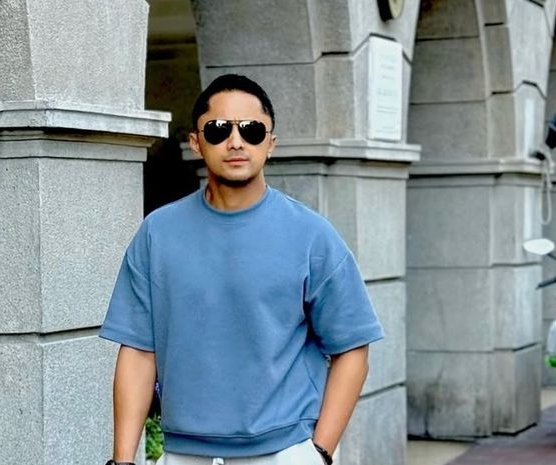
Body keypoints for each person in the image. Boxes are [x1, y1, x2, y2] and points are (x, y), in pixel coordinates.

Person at [100, 74, 384, 465]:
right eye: (218, 130)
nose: (235, 142)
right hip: (183, 453)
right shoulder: (157, 233)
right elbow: (137, 351)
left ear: (271, 142)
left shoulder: (311, 235)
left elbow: (352, 347)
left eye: (251, 130)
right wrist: (123, 461)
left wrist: (318, 452)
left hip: (284, 450)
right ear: (196, 142)